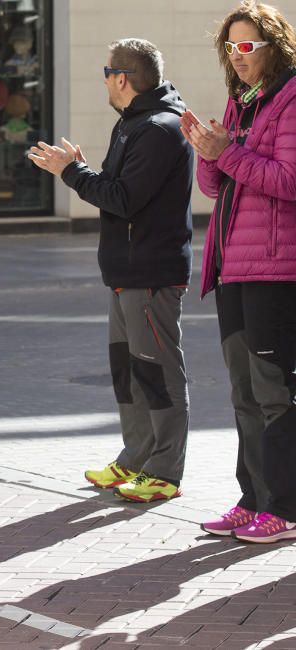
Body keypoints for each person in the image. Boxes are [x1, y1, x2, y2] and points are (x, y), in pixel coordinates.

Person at [28, 38, 193, 503]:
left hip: (151, 273)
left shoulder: (160, 129)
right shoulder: (135, 124)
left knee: (158, 371)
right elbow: (119, 192)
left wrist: (72, 172)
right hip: (126, 272)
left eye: (106, 71)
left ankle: (164, 470)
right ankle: (136, 458)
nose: (103, 78)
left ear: (121, 78)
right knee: (128, 372)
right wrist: (78, 170)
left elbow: (123, 197)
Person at [182, 0, 296, 543]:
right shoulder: (239, 102)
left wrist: (227, 154)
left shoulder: (292, 98)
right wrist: (209, 151)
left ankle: (286, 507)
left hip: (276, 270)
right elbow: (215, 186)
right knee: (244, 392)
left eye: (247, 45)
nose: (238, 55)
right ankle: (253, 500)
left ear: (275, 47)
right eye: (230, 46)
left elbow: (289, 181)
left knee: (275, 393)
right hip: (233, 266)